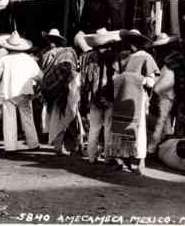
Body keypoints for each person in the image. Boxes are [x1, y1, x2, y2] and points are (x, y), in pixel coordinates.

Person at [108, 29, 159, 174]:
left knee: (138, 128)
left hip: (136, 99)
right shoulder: (122, 56)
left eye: (133, 41)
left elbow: (151, 81)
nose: (130, 44)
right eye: (129, 40)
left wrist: (135, 79)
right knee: (120, 128)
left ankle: (137, 159)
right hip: (121, 99)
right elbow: (114, 77)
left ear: (139, 42)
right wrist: (126, 78)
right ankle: (121, 158)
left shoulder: (146, 58)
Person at [74, 28, 122, 164]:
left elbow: (84, 79)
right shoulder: (114, 56)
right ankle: (107, 157)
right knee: (108, 127)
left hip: (93, 96)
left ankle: (91, 157)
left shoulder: (89, 56)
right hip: (109, 96)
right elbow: (118, 76)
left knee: (94, 128)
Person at [40, 29, 81, 156]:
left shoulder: (46, 54)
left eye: (52, 40)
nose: (51, 42)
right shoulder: (68, 53)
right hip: (66, 88)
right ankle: (67, 145)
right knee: (69, 115)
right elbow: (73, 70)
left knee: (61, 116)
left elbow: (43, 72)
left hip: (56, 89)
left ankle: (71, 144)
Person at [147, 33, 185, 154]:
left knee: (161, 120)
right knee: (163, 120)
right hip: (169, 94)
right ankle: (160, 146)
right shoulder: (173, 59)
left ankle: (152, 148)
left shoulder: (169, 60)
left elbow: (169, 80)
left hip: (166, 93)